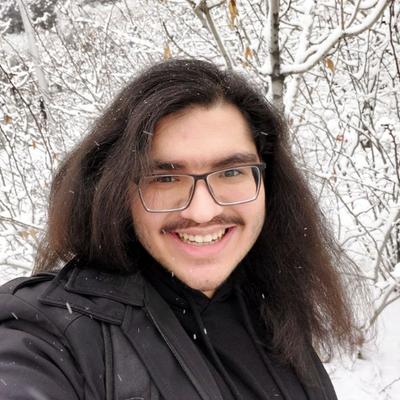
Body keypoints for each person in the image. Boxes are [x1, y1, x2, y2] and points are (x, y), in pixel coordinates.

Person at [0, 59, 360, 400]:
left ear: (267, 182)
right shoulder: (52, 332)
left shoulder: (272, 302)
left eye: (231, 172)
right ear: (117, 190)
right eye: (166, 178)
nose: (203, 212)